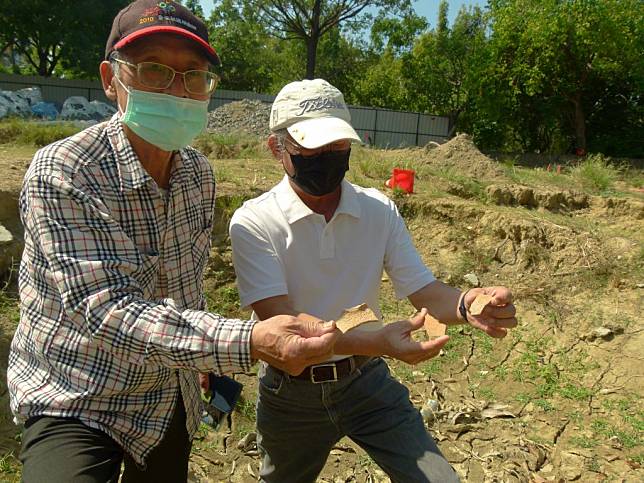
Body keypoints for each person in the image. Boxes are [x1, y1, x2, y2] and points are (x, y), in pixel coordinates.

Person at [7, 3, 338, 482]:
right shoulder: (65, 171)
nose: (177, 89)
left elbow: (184, 281)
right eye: (154, 71)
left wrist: (203, 363)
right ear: (110, 79)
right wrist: (247, 341)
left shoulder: (197, 175)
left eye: (193, 75)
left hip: (165, 395)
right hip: (76, 391)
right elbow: (106, 309)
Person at [229, 78, 518, 483]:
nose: (327, 157)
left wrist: (467, 303)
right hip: (291, 395)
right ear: (278, 148)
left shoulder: (378, 210)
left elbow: (425, 291)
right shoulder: (254, 222)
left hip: (365, 383)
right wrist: (378, 341)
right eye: (312, 148)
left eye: (337, 146)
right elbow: (286, 332)